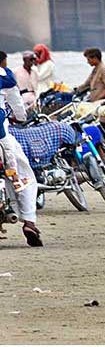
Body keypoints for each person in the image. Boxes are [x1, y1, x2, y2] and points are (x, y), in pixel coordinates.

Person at [0, 52, 42, 246]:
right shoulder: (5, 76)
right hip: (2, 138)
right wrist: (20, 116)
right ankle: (29, 222)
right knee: (23, 177)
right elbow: (17, 105)